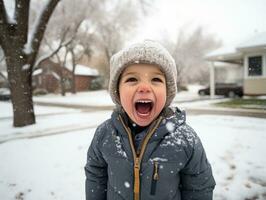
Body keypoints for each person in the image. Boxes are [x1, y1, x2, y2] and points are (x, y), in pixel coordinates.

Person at [85, 40, 215, 200]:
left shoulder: (185, 139)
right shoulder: (104, 134)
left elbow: (200, 186)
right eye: (132, 79)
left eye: (156, 80)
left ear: (168, 92)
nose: (144, 87)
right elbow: (95, 175)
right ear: (117, 91)